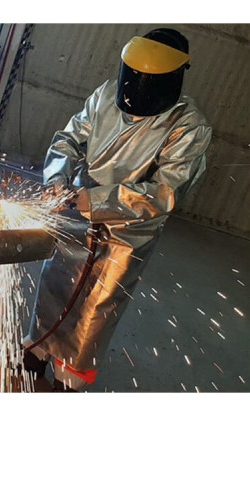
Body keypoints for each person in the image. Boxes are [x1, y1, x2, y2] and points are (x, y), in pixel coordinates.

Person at [23, 27, 212, 391]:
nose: (137, 89)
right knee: (55, 284)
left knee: (97, 306)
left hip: (128, 235)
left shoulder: (189, 126)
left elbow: (165, 192)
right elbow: (69, 140)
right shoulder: (106, 95)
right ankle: (37, 349)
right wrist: (58, 179)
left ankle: (69, 379)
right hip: (76, 213)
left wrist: (96, 200)